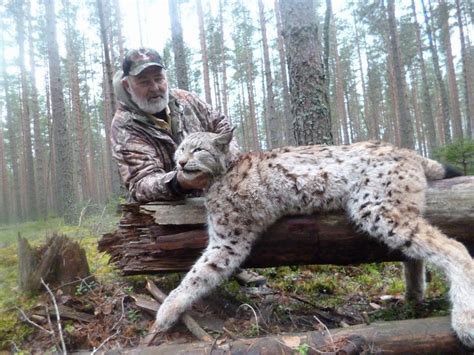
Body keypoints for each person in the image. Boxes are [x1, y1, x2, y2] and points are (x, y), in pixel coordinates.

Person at [111, 47, 265, 286]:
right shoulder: (125, 126)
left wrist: (227, 161)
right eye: (144, 81)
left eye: (158, 79)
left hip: (214, 192)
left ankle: (238, 260)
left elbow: (224, 129)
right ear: (127, 85)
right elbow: (141, 184)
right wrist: (180, 182)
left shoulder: (186, 100)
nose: (155, 87)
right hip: (170, 206)